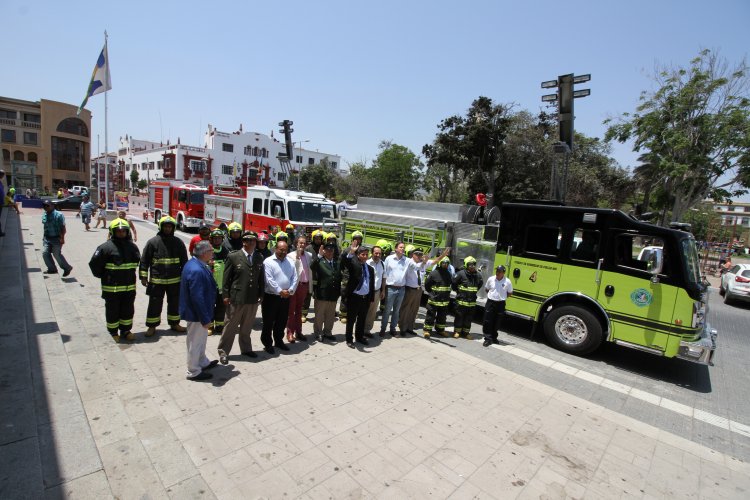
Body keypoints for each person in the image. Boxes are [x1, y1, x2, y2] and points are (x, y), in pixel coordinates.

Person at [88, 218, 141, 343]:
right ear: (112, 231)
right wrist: (106, 277)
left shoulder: (132, 247)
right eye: (118, 231)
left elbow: (137, 262)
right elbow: (94, 265)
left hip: (129, 287)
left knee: (128, 310)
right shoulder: (104, 247)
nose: (121, 233)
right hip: (112, 288)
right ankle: (113, 332)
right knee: (112, 310)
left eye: (124, 231)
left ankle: (126, 330)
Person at [218, 230, 265, 363]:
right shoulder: (233, 256)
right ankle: (223, 351)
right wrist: (225, 295)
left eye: (254, 241)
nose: (252, 243)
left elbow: (260, 278)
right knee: (230, 327)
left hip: (252, 298)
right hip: (236, 298)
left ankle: (246, 349)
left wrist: (261, 294)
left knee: (247, 326)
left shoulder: (258, 257)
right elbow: (226, 278)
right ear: (243, 242)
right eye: (249, 240)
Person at [140, 215, 189, 337]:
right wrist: (143, 276)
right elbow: (144, 260)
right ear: (161, 227)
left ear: (173, 228)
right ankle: (152, 326)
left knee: (174, 303)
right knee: (154, 304)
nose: (167, 229)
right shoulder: (153, 242)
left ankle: (174, 324)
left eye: (170, 227)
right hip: (157, 280)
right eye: (165, 226)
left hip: (175, 280)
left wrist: (185, 278)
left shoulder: (178, 242)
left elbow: (184, 261)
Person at [179, 241, 220, 381]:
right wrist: (205, 318)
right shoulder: (196, 269)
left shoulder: (198, 264)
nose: (212, 253)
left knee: (201, 340)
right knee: (194, 343)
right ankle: (194, 371)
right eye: (210, 250)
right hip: (197, 314)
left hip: (201, 312)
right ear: (203, 253)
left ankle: (202, 362)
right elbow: (197, 296)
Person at [261, 240, 298, 354]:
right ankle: (267, 343)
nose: (283, 252)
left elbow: (295, 277)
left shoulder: (290, 262)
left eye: (285, 250)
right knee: (268, 321)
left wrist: (290, 290)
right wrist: (280, 291)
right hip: (271, 297)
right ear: (275, 249)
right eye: (281, 249)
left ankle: (278, 341)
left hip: (286, 296)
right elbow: (269, 279)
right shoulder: (268, 261)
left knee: (281, 321)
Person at [380, 242, 416, 337]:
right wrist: (383, 289)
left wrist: (424, 262)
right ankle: (383, 329)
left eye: (403, 248)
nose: (402, 249)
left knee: (396, 311)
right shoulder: (389, 259)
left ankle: (393, 329)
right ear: (396, 249)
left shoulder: (407, 260)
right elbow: (384, 274)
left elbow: (417, 267)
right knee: (387, 310)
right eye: (400, 247)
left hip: (401, 289)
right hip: (390, 288)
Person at [342, 243, 375, 348]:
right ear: (358, 255)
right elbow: (345, 261)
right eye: (363, 254)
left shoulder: (370, 269)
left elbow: (371, 284)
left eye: (366, 254)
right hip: (354, 298)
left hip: (365, 298)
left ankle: (359, 337)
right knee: (351, 320)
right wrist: (351, 252)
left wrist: (371, 298)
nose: (365, 256)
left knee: (362, 319)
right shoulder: (354, 264)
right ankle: (349, 339)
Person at [310, 242, 341, 342]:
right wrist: (318, 255)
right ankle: (318, 332)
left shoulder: (336, 262)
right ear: (324, 251)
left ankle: (328, 332)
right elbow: (312, 267)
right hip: (322, 293)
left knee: (330, 315)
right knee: (319, 315)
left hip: (333, 294)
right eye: (328, 250)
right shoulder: (320, 261)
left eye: (331, 250)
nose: (330, 252)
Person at [286, 235, 313, 343]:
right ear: (296, 244)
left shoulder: (309, 255)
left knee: (299, 310)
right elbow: (292, 271)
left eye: (304, 243)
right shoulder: (290, 256)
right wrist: (297, 257)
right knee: (291, 311)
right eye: (300, 243)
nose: (302, 245)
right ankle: (289, 333)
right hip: (294, 286)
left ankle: (299, 332)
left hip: (304, 285)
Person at [452, 256, 484, 339]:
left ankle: (466, 333)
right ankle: (457, 332)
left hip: (471, 303)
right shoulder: (460, 274)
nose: (472, 266)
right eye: (470, 264)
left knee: (468, 319)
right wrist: (459, 292)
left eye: (474, 264)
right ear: (466, 265)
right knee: (459, 317)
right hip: (461, 302)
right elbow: (454, 284)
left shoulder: (478, 275)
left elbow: (480, 284)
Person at [41, 199, 73, 276]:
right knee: (45, 253)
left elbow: (63, 228)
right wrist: (44, 237)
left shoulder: (58, 215)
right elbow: (45, 227)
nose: (46, 207)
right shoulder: (44, 215)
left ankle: (67, 268)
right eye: (44, 206)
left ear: (52, 206)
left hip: (56, 238)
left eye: (47, 205)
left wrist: (62, 238)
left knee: (56, 254)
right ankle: (52, 269)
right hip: (47, 238)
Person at [483, 265, 513, 347]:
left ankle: (494, 338)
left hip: (501, 303)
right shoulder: (491, 279)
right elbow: (486, 289)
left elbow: (510, 293)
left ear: (503, 273)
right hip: (491, 302)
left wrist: (502, 297)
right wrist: (493, 296)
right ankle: (487, 339)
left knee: (497, 321)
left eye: (499, 271)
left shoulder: (508, 281)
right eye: (497, 271)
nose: (497, 273)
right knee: (488, 321)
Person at [423, 257, 453, 338]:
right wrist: (432, 294)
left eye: (447, 263)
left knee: (442, 316)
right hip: (434, 300)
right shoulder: (433, 273)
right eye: (443, 263)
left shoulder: (448, 274)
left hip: (444, 300)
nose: (445, 265)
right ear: (439, 263)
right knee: (430, 316)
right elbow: (427, 285)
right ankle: (427, 330)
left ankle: (440, 330)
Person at [339, 231, 365, 324]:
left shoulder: (362, 250)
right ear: (352, 239)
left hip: (358, 277)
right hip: (347, 277)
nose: (357, 241)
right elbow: (341, 263)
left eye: (359, 239)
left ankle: (352, 313)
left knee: (355, 296)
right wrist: (344, 274)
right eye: (356, 239)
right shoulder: (347, 250)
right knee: (345, 295)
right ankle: (343, 314)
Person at [398, 245, 425, 336]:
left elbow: (433, 262)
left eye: (420, 255)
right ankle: (402, 328)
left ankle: (410, 327)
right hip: (409, 289)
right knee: (405, 309)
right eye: (417, 254)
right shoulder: (408, 262)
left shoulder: (422, 264)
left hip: (418, 289)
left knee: (414, 310)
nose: (419, 256)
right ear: (412, 255)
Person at [207, 229, 229, 335]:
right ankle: (210, 326)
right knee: (210, 306)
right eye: (215, 238)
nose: (217, 240)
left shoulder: (225, 251)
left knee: (221, 306)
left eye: (219, 238)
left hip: (222, 285)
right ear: (211, 239)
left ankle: (220, 326)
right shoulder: (207, 251)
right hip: (210, 285)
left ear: (222, 239)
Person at [302, 229, 325, 323]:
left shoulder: (324, 249)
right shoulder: (308, 248)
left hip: (320, 276)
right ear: (313, 239)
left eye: (320, 239)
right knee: (307, 296)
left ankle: (319, 315)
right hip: (310, 276)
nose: (318, 240)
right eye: (316, 239)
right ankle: (303, 314)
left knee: (319, 297)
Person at [364, 245, 386, 337]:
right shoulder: (367, 263)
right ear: (372, 253)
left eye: (379, 253)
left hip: (377, 292)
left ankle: (367, 330)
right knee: (364, 311)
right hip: (367, 292)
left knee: (372, 313)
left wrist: (383, 290)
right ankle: (360, 330)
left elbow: (384, 278)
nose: (377, 255)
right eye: (376, 253)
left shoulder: (383, 264)